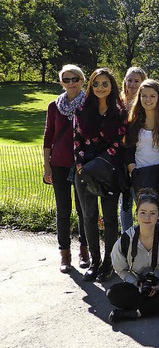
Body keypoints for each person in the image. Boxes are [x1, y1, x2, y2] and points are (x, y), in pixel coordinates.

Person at [73, 67, 128, 282]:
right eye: (96, 84)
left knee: (110, 216)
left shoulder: (120, 112)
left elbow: (117, 143)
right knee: (88, 215)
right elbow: (76, 139)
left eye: (105, 83)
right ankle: (95, 261)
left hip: (108, 169)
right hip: (84, 170)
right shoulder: (82, 109)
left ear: (112, 86)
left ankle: (109, 262)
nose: (100, 88)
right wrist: (80, 166)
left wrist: (100, 162)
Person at [107, 189, 159, 323]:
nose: (147, 218)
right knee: (113, 294)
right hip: (140, 285)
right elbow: (120, 269)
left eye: (152, 213)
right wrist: (136, 283)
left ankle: (138, 312)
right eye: (143, 213)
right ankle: (158, 307)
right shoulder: (126, 240)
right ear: (136, 214)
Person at [43, 64, 89, 273]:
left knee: (84, 210)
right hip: (59, 163)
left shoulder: (89, 104)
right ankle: (64, 253)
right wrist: (47, 165)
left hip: (82, 163)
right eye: (67, 79)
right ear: (61, 82)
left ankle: (84, 251)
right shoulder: (54, 106)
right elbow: (48, 135)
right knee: (63, 210)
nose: (71, 83)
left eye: (75, 79)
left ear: (82, 80)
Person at [124, 79, 159, 229]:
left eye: (152, 96)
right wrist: (133, 170)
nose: (148, 99)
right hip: (138, 178)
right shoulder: (133, 121)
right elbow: (128, 148)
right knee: (144, 221)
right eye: (144, 96)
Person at [119, 66, 147, 232]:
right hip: (119, 161)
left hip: (140, 160)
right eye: (129, 80)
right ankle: (126, 237)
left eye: (137, 81)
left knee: (142, 201)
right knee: (125, 202)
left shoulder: (146, 105)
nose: (132, 84)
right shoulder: (119, 103)